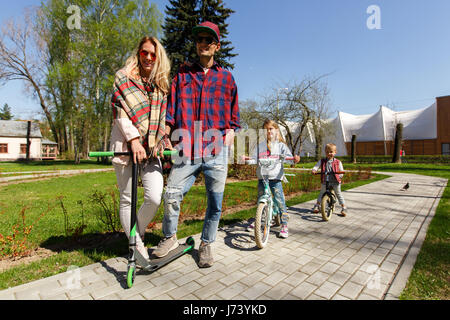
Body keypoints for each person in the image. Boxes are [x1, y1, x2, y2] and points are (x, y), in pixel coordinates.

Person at [152, 21, 240, 268]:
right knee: (171, 194)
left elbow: (234, 113)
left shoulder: (227, 78)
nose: (203, 43)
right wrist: (166, 133)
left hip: (216, 150)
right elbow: (171, 111)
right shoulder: (182, 75)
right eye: (200, 39)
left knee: (216, 202)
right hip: (187, 147)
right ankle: (169, 238)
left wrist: (232, 130)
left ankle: (206, 244)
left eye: (209, 40)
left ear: (217, 46)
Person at [110, 36, 171, 261]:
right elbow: (120, 112)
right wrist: (134, 140)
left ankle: (135, 233)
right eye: (144, 52)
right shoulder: (122, 77)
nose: (148, 57)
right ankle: (137, 245)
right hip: (126, 146)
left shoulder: (160, 86)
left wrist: (163, 140)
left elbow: (162, 121)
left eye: (153, 54)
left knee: (155, 196)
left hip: (151, 149)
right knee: (127, 199)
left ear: (158, 58)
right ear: (138, 53)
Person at [246, 119, 300, 238]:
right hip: (262, 177)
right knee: (261, 199)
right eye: (265, 129)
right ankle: (260, 220)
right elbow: (254, 158)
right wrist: (247, 159)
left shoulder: (281, 146)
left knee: (280, 201)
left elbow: (288, 158)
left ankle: (284, 225)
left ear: (276, 130)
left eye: (270, 128)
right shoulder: (260, 146)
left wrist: (294, 159)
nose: (268, 131)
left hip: (275, 177)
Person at [311, 143, 347, 216]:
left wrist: (340, 175)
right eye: (327, 152)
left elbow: (341, 170)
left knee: (338, 193)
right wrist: (314, 170)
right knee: (322, 192)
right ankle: (317, 205)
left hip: (335, 181)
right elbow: (316, 166)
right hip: (325, 180)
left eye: (331, 152)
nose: (329, 153)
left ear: (335, 152)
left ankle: (344, 207)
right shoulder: (322, 161)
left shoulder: (338, 162)